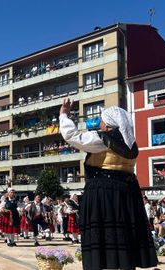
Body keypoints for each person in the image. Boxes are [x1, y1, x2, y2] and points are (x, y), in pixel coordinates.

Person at [59, 98, 157, 269]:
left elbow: (73, 137)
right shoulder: (131, 145)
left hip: (103, 193)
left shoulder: (103, 139)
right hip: (127, 194)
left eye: (102, 120)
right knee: (124, 233)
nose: (100, 123)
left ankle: (104, 263)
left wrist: (64, 115)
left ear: (109, 124)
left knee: (103, 235)